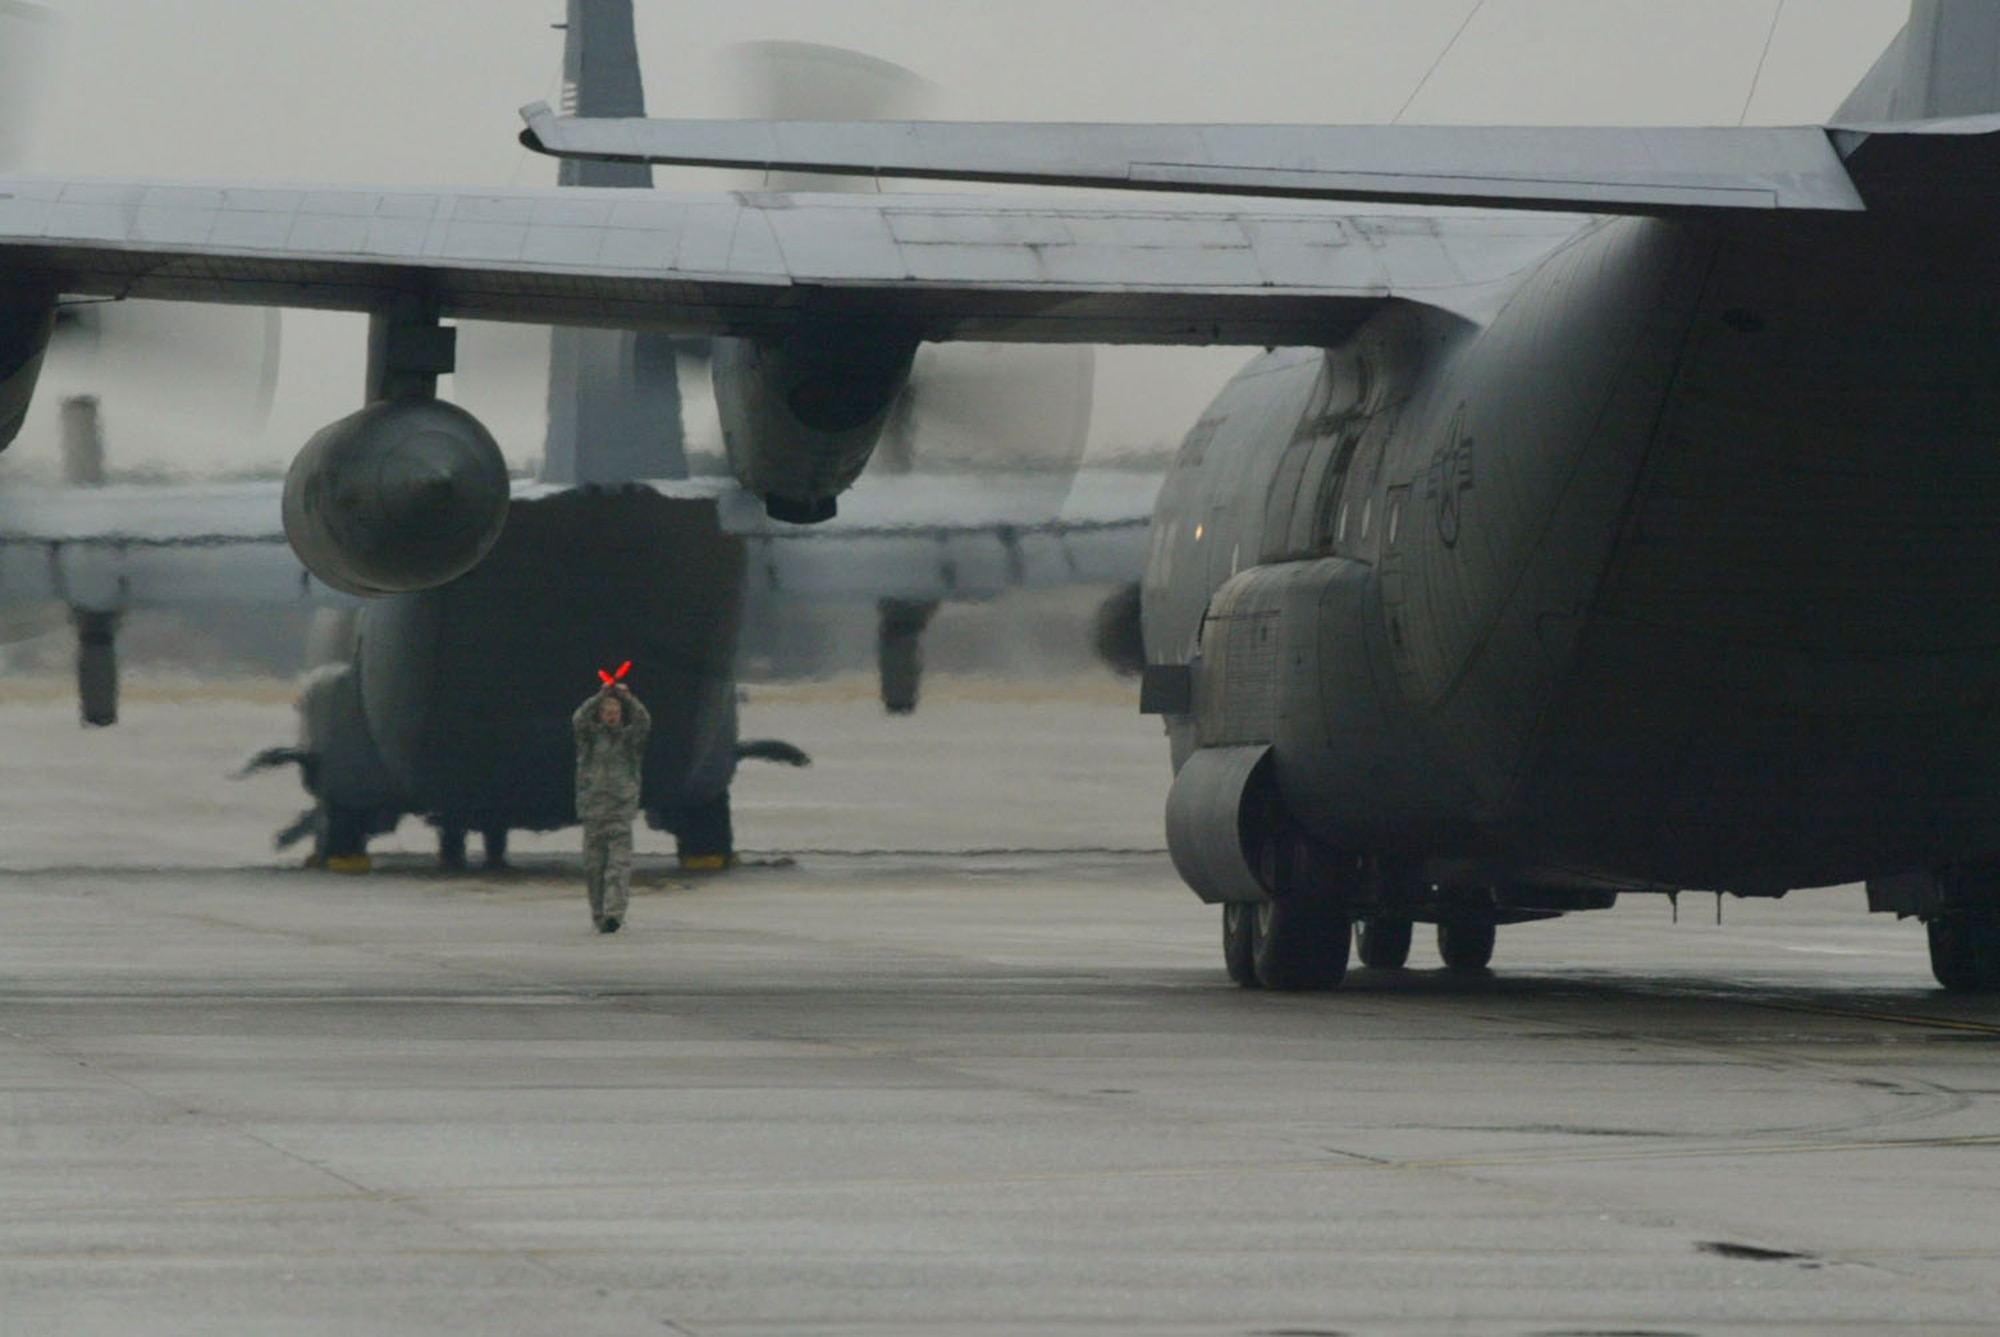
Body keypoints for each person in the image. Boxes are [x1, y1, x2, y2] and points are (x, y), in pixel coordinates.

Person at [572, 679, 651, 933]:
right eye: (607, 711)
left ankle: (614, 913)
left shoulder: (629, 741)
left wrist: (628, 698)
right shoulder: (590, 739)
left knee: (618, 867)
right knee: (594, 870)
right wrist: (599, 696)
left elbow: (644, 723)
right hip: (594, 811)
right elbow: (578, 720)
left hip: (619, 812)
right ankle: (598, 914)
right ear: (601, 714)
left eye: (615, 712)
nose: (612, 716)